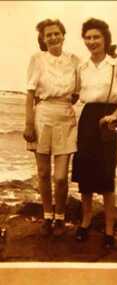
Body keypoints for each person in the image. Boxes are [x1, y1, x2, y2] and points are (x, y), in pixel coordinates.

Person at [72, 18, 117, 248]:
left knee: (107, 174)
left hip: (109, 119)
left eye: (96, 37)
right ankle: (86, 221)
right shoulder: (82, 67)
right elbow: (77, 95)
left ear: (105, 38)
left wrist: (116, 114)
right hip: (88, 118)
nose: (91, 41)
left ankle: (109, 229)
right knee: (85, 171)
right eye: (87, 37)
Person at [23, 19, 79, 237]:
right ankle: (48, 215)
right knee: (44, 173)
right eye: (49, 35)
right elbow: (29, 94)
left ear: (63, 35)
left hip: (65, 117)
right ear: (43, 39)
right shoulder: (37, 59)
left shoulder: (75, 61)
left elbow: (78, 92)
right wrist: (28, 123)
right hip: (42, 116)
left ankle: (61, 217)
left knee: (61, 177)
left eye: (57, 33)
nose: (53, 38)